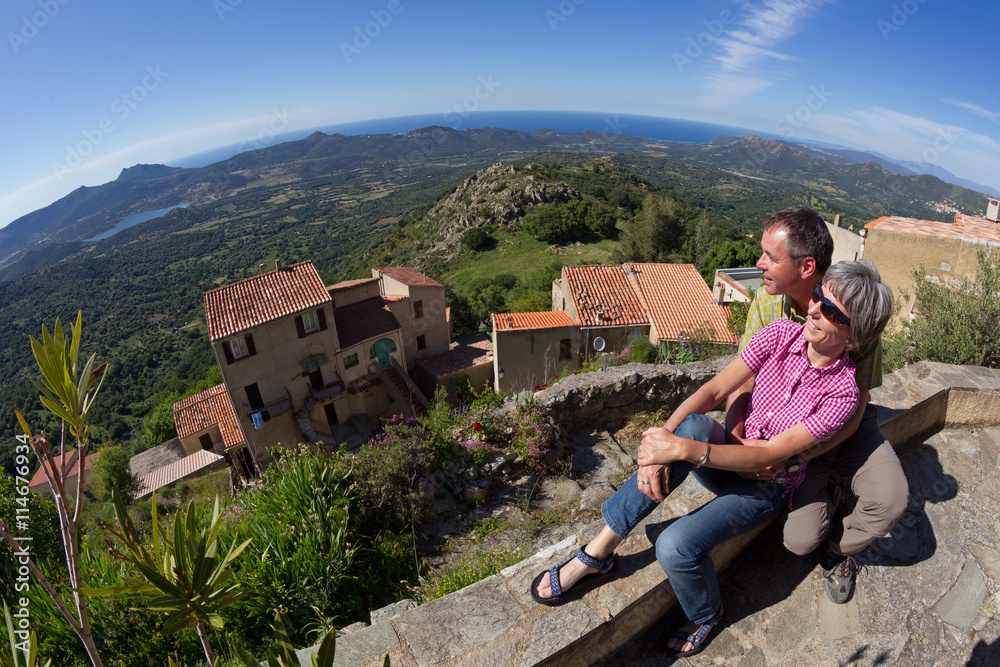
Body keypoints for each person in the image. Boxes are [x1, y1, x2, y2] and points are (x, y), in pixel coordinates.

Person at [531, 261, 893, 657]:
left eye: (831, 311)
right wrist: (658, 446)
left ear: (855, 334)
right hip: (731, 459)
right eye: (820, 296)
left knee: (675, 547)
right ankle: (598, 551)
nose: (813, 309)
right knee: (695, 425)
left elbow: (771, 455)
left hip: (765, 486)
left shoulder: (843, 395)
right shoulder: (779, 335)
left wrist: (683, 450)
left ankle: (706, 614)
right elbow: (715, 389)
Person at [725, 206, 908, 604]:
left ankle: (840, 551)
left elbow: (855, 407)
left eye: (771, 258)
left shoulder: (854, 309)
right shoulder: (766, 305)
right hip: (789, 429)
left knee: (891, 499)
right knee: (797, 540)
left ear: (806, 266)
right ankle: (828, 493)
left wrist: (790, 459)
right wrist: (736, 438)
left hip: (839, 430)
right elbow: (740, 380)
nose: (759, 264)